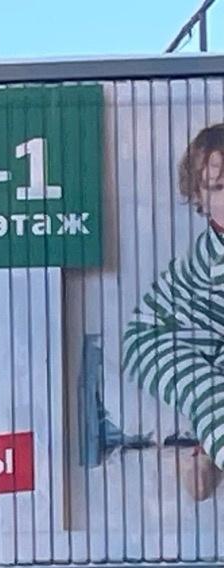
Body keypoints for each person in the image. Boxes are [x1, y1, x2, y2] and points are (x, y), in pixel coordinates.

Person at [122, 120, 224, 501]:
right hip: (158, 335)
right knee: (209, 393)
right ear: (199, 199)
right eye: (217, 188)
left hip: (213, 336)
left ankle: (205, 457)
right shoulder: (215, 251)